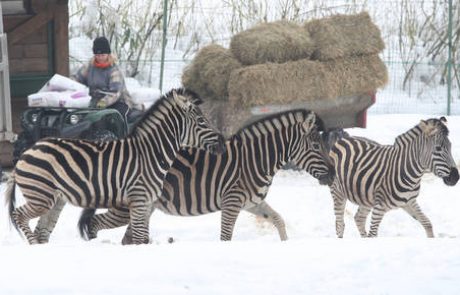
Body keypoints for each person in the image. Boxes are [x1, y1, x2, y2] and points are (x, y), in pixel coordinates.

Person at [72, 36, 143, 118]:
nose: (100, 58)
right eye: (98, 55)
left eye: (103, 55)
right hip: (95, 101)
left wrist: (103, 102)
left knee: (113, 118)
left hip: (117, 102)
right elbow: (77, 78)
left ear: (108, 54)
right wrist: (69, 86)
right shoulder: (89, 66)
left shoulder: (114, 70)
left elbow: (115, 93)